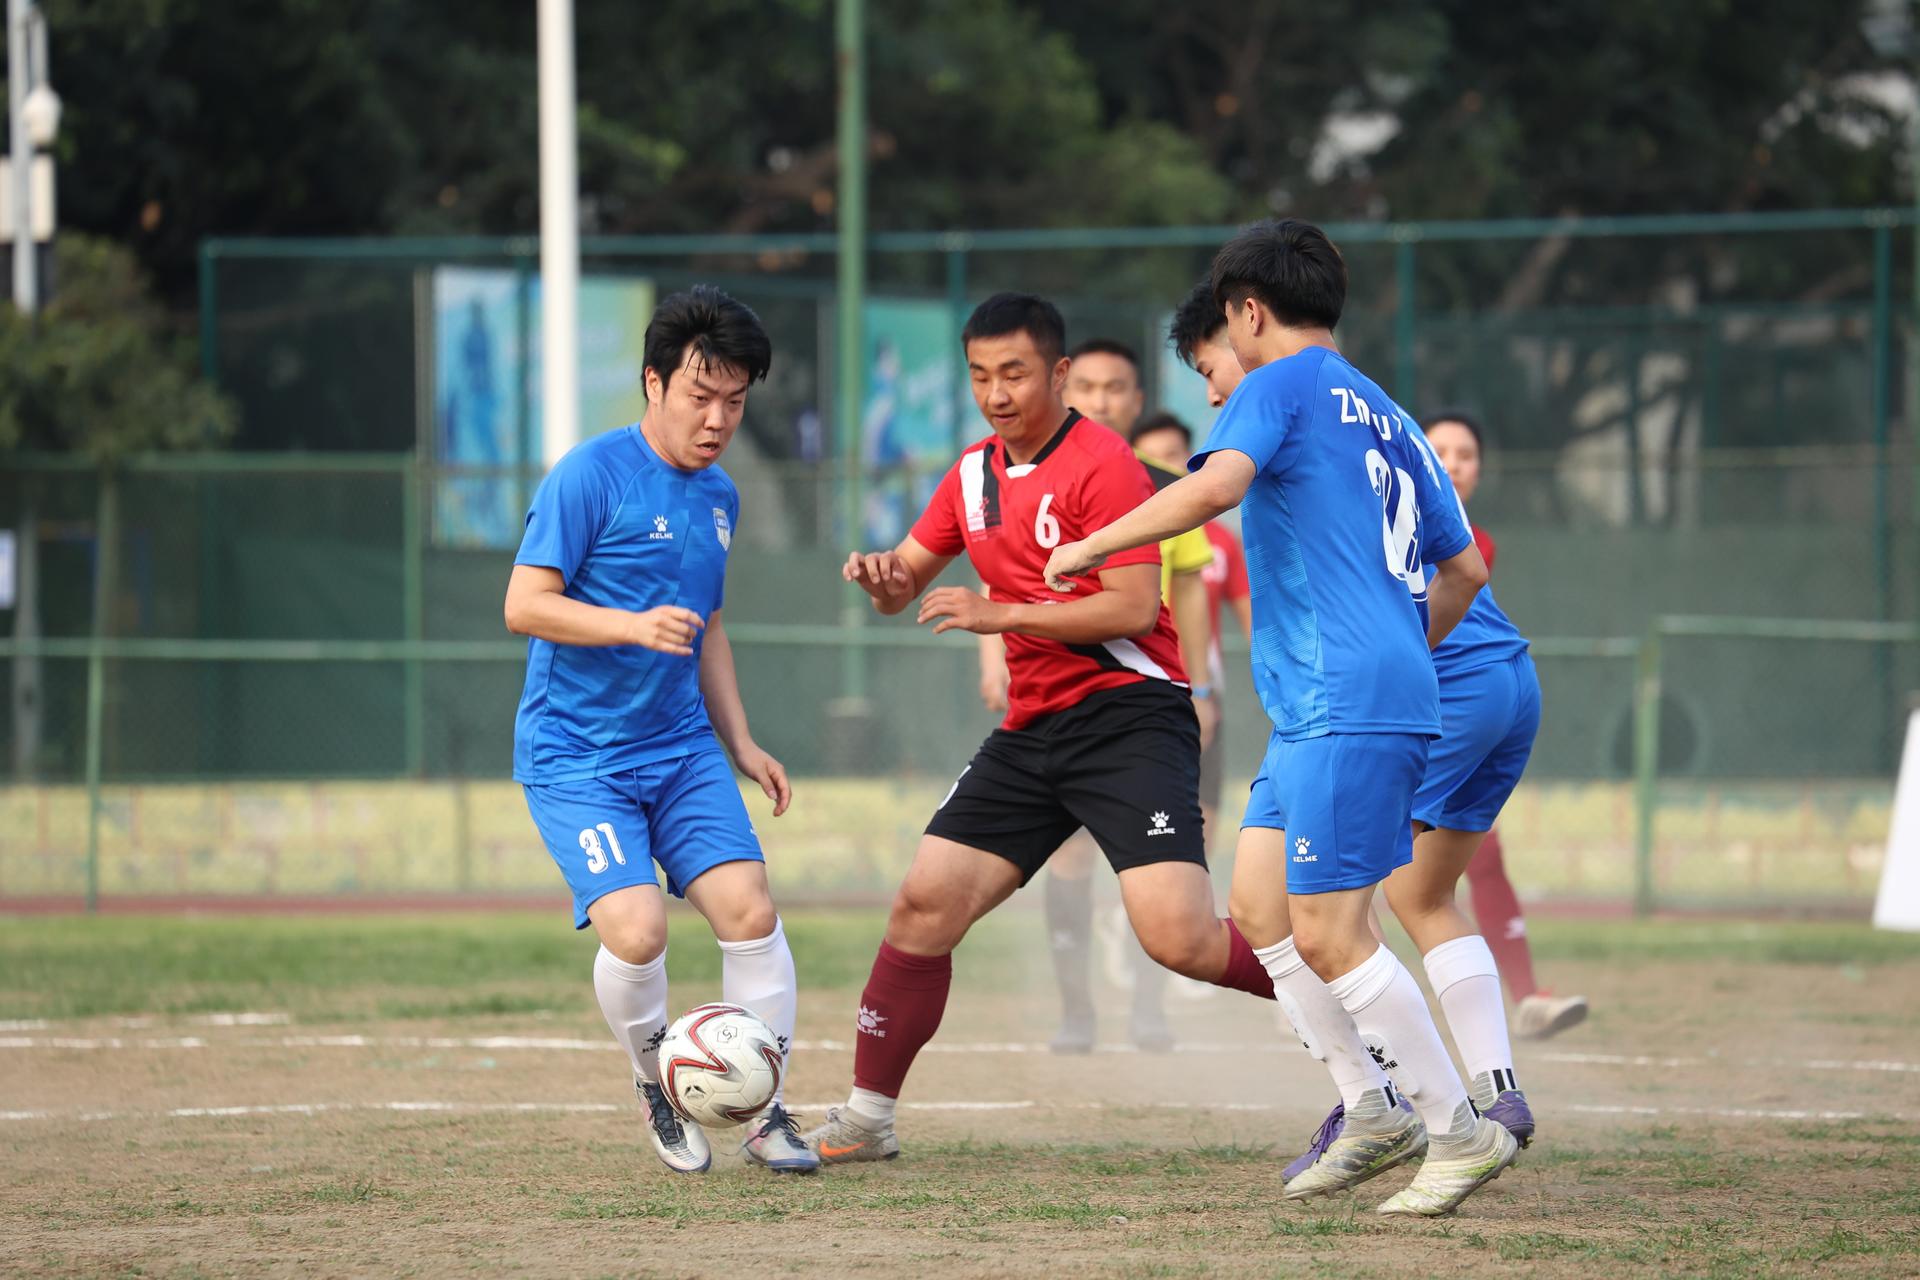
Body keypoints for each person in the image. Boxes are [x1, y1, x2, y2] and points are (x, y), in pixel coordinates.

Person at [1044, 222, 1519, 1217]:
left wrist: (1094, 544)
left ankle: (1458, 1129)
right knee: (1259, 908)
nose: (1221, 373)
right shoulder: (1387, 409)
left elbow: (1215, 485)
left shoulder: (1279, 384)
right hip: (1326, 703)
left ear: (1248, 311)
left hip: (1347, 698)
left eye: (1223, 334)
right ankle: (1371, 1105)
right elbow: (1466, 567)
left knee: (1334, 929)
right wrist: (1399, 646)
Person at [805, 293, 1276, 1165]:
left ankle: (1352, 1010)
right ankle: (868, 1119)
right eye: (980, 375)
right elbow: (907, 577)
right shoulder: (973, 475)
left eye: (1014, 372)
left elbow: (1134, 606)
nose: (996, 392)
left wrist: (1000, 615)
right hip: (1034, 732)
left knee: (1180, 938)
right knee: (921, 905)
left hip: (1130, 716)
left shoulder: (1105, 465)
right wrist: (879, 577)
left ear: (1058, 374)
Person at [504, 286, 818, 1176]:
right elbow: (524, 605)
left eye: (736, 401)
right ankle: (658, 1083)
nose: (718, 419)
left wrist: (742, 743)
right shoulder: (589, 475)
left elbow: (708, 625)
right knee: (638, 931)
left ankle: (764, 1108)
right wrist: (629, 625)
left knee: (750, 911)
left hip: (680, 750)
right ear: (653, 382)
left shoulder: (720, 493)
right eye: (699, 395)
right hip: (579, 758)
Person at [978, 338, 1217, 1054]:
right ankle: (1076, 1010)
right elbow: (1000, 579)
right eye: (1088, 386)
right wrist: (992, 658)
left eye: (1117, 388)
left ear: (1138, 401)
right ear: (1062, 390)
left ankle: (1150, 1008)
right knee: (1072, 854)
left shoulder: (1170, 487)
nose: (1103, 400)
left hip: (1156, 699)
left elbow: (1196, 596)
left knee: (1169, 864)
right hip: (1059, 697)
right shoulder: (1027, 479)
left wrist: (1202, 688)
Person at [1422, 410, 1588, 1041]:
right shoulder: (1399, 521)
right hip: (1422, 710)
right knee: (1390, 873)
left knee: (1463, 862)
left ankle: (1523, 998)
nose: (1452, 464)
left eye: (1465, 454)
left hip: (1457, 710)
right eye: (1438, 450)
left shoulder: (1468, 540)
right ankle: (1312, 976)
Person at [1130, 409, 1254, 845]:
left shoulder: (1222, 540)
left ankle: (1189, 897)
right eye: (1156, 457)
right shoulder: (1129, 521)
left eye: (1177, 456)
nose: (1169, 467)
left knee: (1203, 813)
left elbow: (1251, 615)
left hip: (1201, 683)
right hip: (1146, 678)